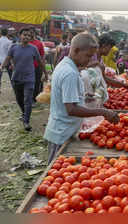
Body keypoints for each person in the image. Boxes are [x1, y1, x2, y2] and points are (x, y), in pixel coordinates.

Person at [44, 33, 119, 164]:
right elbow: (71, 109)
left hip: (62, 129)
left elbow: (66, 98)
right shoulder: (70, 73)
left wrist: (82, 96)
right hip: (61, 133)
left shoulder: (66, 66)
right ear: (76, 50)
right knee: (55, 170)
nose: (90, 60)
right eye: (88, 56)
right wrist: (103, 112)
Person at [1, 27, 43, 131]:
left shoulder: (34, 49)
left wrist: (45, 74)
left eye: (29, 35)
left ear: (31, 37)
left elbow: (40, 62)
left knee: (28, 100)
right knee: (19, 99)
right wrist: (1, 67)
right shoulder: (13, 47)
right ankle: (24, 113)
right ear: (20, 35)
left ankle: (26, 121)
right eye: (24, 35)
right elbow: (7, 59)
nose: (26, 37)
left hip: (30, 78)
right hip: (16, 78)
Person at [28, 26, 48, 106]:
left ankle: (33, 100)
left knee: (36, 83)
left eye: (32, 32)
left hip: (37, 67)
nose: (30, 34)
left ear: (34, 33)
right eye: (29, 32)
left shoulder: (39, 43)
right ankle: (29, 98)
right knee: (28, 83)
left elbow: (42, 56)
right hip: (27, 67)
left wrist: (43, 69)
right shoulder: (26, 42)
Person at [0, 28, 13, 92]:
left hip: (0, 60)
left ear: (0, 33)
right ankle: (14, 88)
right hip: (7, 60)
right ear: (7, 33)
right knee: (11, 76)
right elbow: (10, 53)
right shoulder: (9, 42)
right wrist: (12, 63)